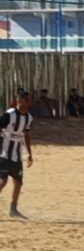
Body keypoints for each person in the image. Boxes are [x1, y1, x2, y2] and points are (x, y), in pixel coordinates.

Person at [0, 88, 33, 217]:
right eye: (26, 100)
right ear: (19, 101)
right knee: (3, 181)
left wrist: (29, 153)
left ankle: (13, 209)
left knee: (18, 182)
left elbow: (26, 134)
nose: (28, 102)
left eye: (29, 100)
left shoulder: (29, 117)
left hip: (16, 155)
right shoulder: (9, 114)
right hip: (3, 153)